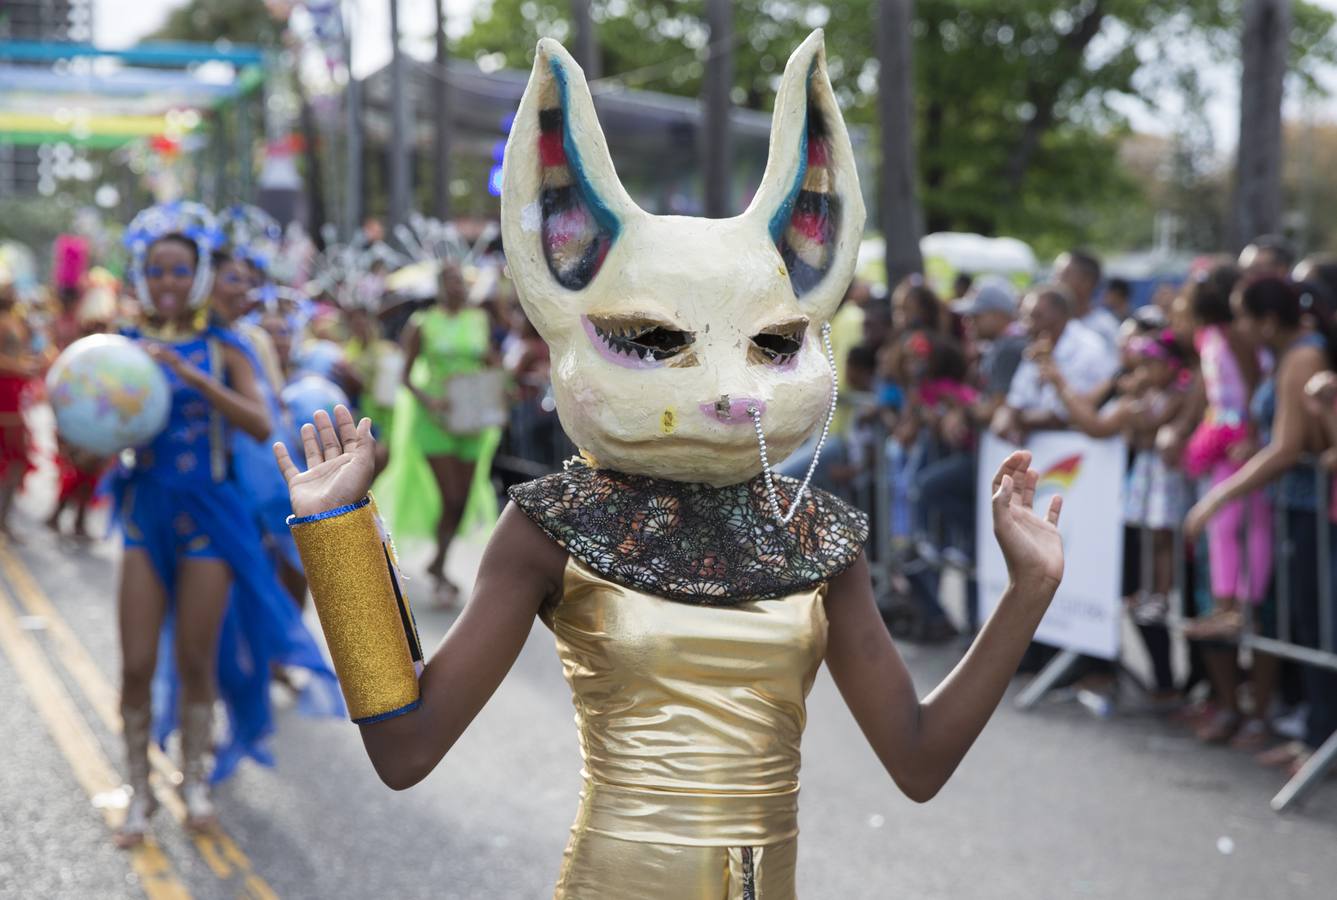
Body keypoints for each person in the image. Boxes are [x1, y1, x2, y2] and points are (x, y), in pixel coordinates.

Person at [274, 33, 1066, 898]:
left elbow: (917, 759)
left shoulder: (813, 535)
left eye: (770, 344)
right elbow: (404, 752)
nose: (726, 389)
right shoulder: (553, 526)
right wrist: (337, 540)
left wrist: (1027, 590)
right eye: (655, 340)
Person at [110, 208, 340, 849]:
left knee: (195, 657)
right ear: (142, 275)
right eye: (157, 270)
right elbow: (100, 427)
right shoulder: (122, 345)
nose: (168, 282)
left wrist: (191, 377)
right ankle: (138, 790)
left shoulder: (223, 347)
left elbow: (260, 423)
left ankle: (193, 784)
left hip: (210, 519)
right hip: (143, 512)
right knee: (135, 663)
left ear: (200, 275)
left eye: (181, 270)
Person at [1185, 276, 1337, 776]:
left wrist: (1218, 496)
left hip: (1310, 507)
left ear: (1268, 321)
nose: (1238, 326)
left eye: (1243, 316)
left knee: (1317, 626)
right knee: (1309, 626)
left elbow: (1287, 448)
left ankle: (1321, 740)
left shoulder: (1302, 357)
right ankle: (1316, 738)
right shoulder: (1286, 355)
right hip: (1296, 504)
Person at [377, 261, 500, 607]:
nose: (457, 286)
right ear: (440, 287)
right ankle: (441, 569)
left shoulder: (479, 320)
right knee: (451, 496)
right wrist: (429, 400)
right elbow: (404, 376)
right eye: (450, 281)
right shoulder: (422, 323)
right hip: (434, 421)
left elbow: (490, 361)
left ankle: (439, 562)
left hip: (471, 418)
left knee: (463, 498)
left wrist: (497, 387)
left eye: (460, 280)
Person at [991, 284, 1119, 444]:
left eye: (1035, 316)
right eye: (1024, 317)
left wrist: (1019, 419)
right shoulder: (1036, 348)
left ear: (1059, 316)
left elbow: (1066, 415)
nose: (1027, 325)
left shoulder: (1090, 349)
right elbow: (1016, 401)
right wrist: (1009, 415)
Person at [0, 275, 38, 538]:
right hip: (4, 395)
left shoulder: (16, 321)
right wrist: (21, 368)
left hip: (14, 397)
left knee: (15, 459)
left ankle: (4, 518)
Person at [1054, 249, 1120, 347]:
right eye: (1057, 275)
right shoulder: (1048, 324)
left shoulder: (1105, 327)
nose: (1056, 282)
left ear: (1087, 281)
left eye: (1064, 275)